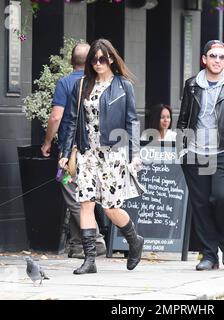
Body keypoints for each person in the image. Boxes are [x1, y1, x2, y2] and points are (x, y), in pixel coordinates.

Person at [58, 38, 144, 274]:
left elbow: (132, 122)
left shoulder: (123, 85)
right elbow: (72, 121)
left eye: (102, 59)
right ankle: (90, 260)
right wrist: (65, 153)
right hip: (87, 153)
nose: (98, 63)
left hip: (112, 154)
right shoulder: (82, 84)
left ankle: (134, 240)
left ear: (111, 59)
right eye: (93, 59)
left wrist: (134, 154)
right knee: (85, 203)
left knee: (109, 208)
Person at [177, 40, 224, 271]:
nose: (217, 60)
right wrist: (182, 149)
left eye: (221, 57)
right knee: (201, 205)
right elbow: (184, 118)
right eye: (213, 56)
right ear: (204, 59)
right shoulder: (191, 85)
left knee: (221, 197)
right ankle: (209, 254)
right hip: (195, 154)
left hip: (223, 153)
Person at [41, 43, 106, 259]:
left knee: (74, 197)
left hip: (73, 152)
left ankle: (95, 240)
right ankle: (78, 246)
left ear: (71, 61)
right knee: (85, 195)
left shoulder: (67, 82)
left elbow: (56, 117)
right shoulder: (99, 81)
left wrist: (48, 141)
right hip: (97, 148)